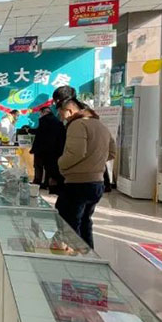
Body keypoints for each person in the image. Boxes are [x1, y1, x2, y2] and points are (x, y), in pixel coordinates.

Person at [52, 87, 115, 248]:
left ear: (69, 110)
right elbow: (112, 152)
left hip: (78, 184)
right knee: (85, 221)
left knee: (68, 223)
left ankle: (73, 256)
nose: (61, 117)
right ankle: (89, 255)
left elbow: (76, 153)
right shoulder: (99, 124)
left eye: (61, 113)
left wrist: (60, 164)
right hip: (97, 183)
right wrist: (94, 163)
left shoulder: (77, 124)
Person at [30, 107, 65, 190]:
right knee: (48, 167)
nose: (39, 115)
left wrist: (34, 148)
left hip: (42, 148)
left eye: (40, 113)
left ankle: (37, 182)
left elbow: (40, 134)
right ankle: (46, 183)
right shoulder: (57, 121)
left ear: (44, 112)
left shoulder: (44, 120)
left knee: (38, 166)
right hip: (53, 149)